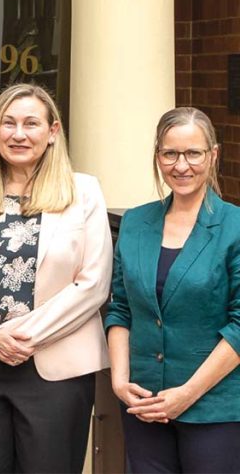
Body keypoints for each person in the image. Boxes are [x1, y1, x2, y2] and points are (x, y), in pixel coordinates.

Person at [0, 83, 112, 473]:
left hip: (55, 371)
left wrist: (23, 338)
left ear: (52, 132)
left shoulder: (83, 192)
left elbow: (94, 282)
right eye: (8, 123)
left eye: (31, 123)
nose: (19, 134)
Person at [106, 107, 240, 473]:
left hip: (215, 409)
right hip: (143, 402)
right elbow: (121, 309)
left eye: (193, 153)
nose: (181, 165)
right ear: (158, 156)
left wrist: (187, 395)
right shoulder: (135, 222)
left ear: (213, 155)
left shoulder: (234, 227)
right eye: (170, 153)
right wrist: (120, 380)